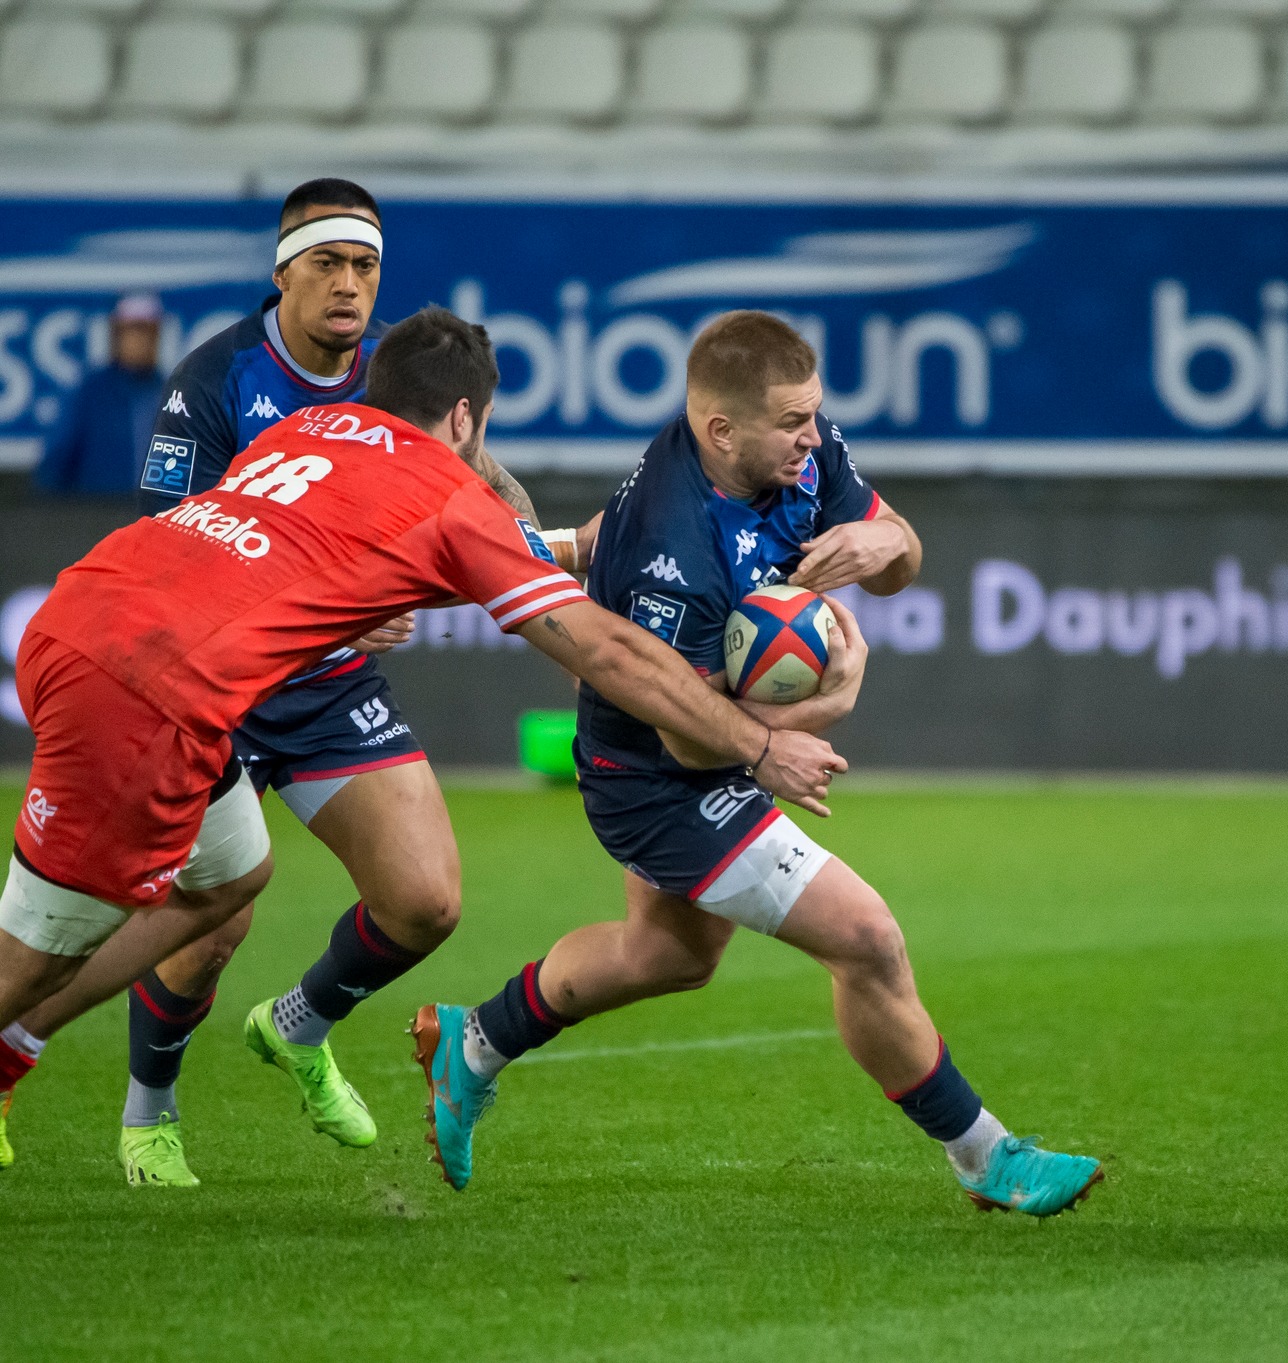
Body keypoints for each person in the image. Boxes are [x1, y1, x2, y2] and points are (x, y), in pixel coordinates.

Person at [0, 311, 842, 1147]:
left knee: (229, 878)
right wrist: (761, 746)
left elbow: (306, 552)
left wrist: (567, 551)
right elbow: (604, 647)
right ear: (466, 416)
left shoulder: (305, 431)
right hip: (136, 688)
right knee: (33, 953)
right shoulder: (447, 496)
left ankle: (15, 1047)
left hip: (84, 615)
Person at [409, 311, 1103, 1218]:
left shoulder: (795, 449)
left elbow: (898, 553)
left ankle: (473, 1042)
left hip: (698, 750)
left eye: (814, 415)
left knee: (666, 953)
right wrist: (826, 704)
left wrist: (890, 542)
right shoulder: (672, 549)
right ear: (721, 430)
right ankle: (985, 1156)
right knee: (866, 938)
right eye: (792, 422)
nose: (813, 436)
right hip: (651, 779)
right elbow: (687, 737)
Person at [0, 180, 592, 1186]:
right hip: (213, 678)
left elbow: (484, 492)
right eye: (327, 264)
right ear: (283, 273)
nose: (349, 285)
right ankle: (147, 1113)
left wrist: (538, 570)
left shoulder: (401, 373)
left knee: (424, 899)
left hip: (328, 683)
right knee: (215, 917)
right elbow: (172, 546)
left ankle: (297, 1023)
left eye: (365, 266)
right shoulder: (215, 377)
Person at [36, 292, 164, 496]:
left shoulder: (169, 393)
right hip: (97, 510)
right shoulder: (88, 394)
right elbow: (55, 466)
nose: (139, 340)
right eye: (130, 331)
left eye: (146, 331)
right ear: (115, 335)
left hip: (156, 512)